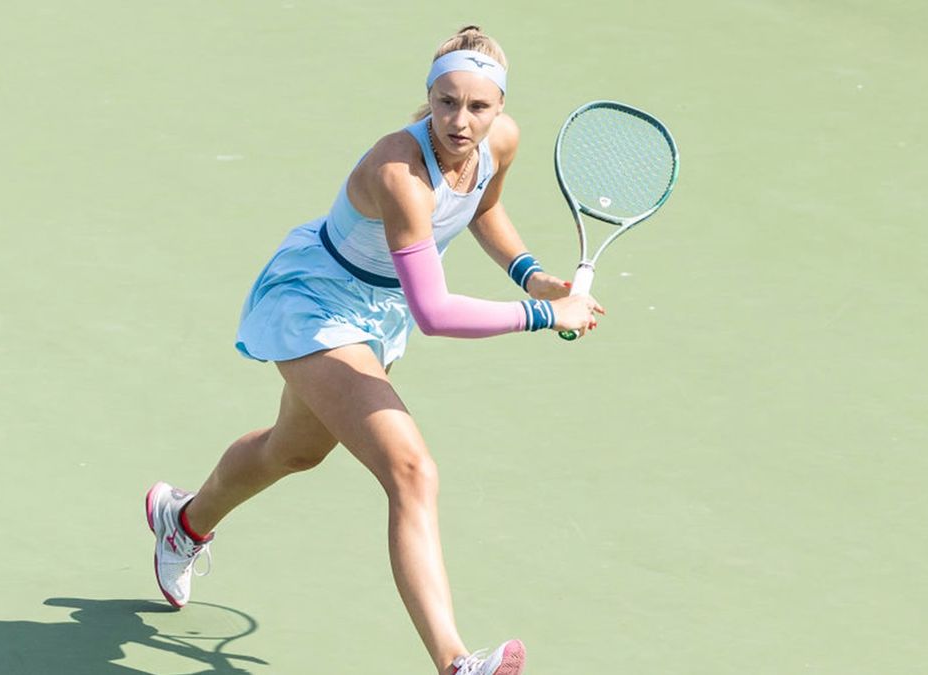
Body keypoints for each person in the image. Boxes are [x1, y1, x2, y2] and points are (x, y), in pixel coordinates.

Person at [145, 26, 603, 675]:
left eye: (477, 107)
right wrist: (544, 313)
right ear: (428, 96)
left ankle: (181, 521)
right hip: (315, 302)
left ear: (499, 107)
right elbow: (436, 312)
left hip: (376, 313)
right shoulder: (399, 173)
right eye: (446, 103)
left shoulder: (500, 141)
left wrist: (528, 273)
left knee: (294, 450)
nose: (460, 121)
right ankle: (454, 662)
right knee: (412, 470)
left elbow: (480, 207)